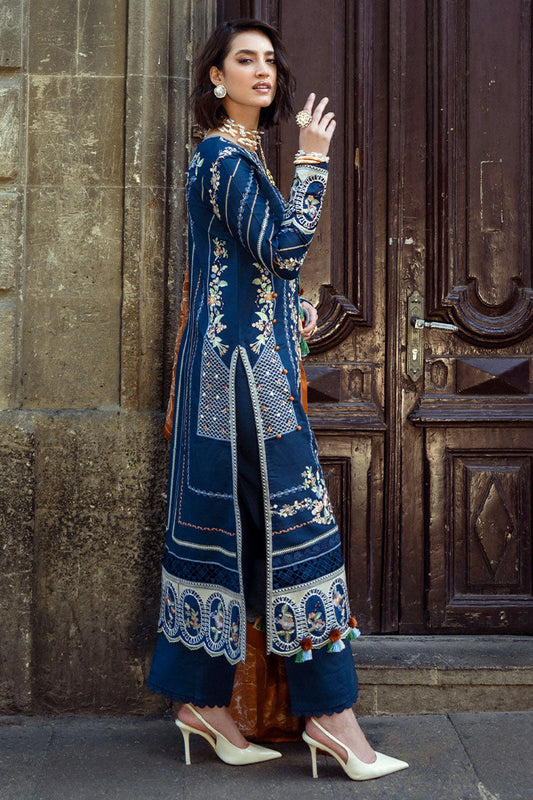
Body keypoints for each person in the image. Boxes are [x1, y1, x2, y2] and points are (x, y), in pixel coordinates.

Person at [148, 18, 408, 781]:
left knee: (227, 531)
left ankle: (204, 704)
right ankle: (330, 720)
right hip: (240, 383)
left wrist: (283, 306)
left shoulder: (236, 157)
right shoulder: (222, 158)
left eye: (268, 59)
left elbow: (250, 268)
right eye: (244, 59)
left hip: (236, 370)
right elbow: (285, 248)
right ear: (215, 77)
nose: (261, 70)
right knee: (299, 528)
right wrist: (315, 161)